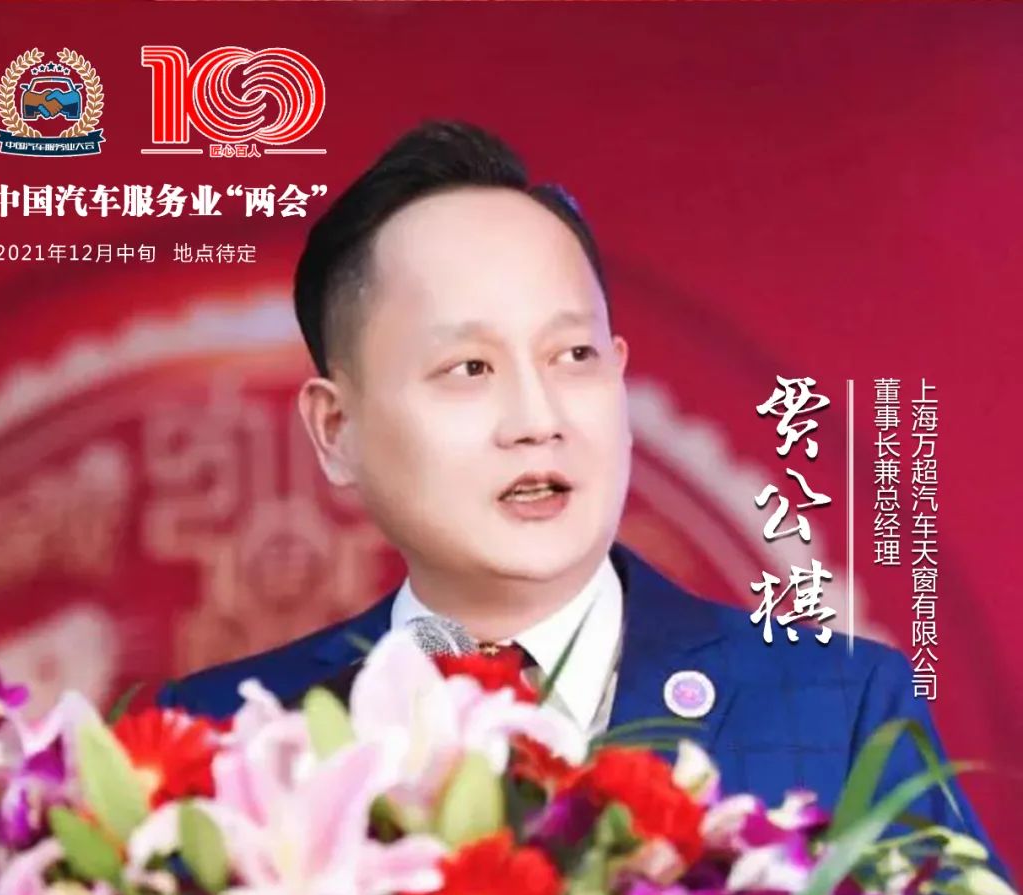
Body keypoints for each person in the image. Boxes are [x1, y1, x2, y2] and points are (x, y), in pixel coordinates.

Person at [159, 120, 1000, 856]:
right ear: (336, 429)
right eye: (470, 368)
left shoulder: (841, 709)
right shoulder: (226, 737)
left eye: (574, 357)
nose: (539, 419)